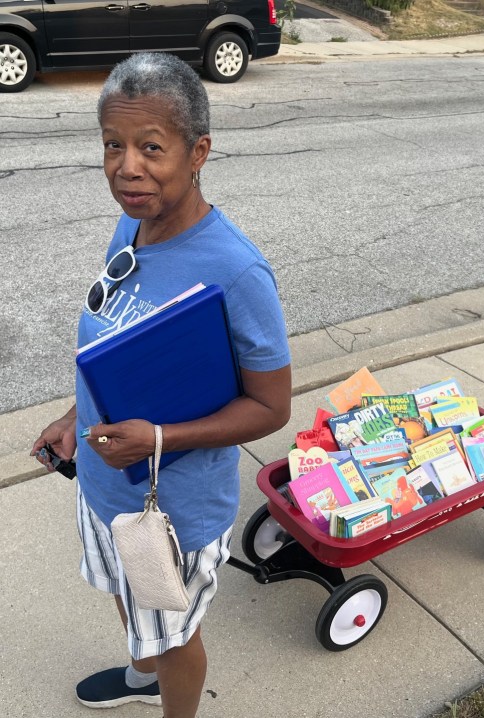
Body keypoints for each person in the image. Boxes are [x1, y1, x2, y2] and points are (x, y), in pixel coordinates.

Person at [30, 52, 291, 718]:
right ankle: (142, 674)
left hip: (167, 509)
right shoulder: (135, 223)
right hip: (102, 477)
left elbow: (271, 405)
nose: (126, 167)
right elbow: (118, 345)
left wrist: (159, 439)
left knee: (175, 636)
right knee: (132, 603)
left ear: (199, 150)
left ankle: (170, 696)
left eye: (151, 146)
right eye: (112, 145)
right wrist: (73, 415)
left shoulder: (236, 271)